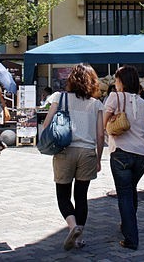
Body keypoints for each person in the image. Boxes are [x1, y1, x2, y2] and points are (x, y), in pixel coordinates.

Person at [43, 64, 103, 251]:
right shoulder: (96, 104)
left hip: (64, 150)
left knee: (63, 195)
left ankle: (72, 226)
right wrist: (99, 158)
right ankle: (78, 237)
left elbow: (46, 125)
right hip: (87, 153)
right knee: (81, 196)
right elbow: (101, 135)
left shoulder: (59, 98)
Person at [104, 65, 144, 250]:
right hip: (142, 155)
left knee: (124, 194)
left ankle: (131, 238)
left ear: (121, 81)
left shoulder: (114, 97)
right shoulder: (142, 102)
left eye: (116, 80)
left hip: (121, 153)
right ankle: (127, 225)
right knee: (131, 190)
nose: (115, 84)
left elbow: (103, 122)